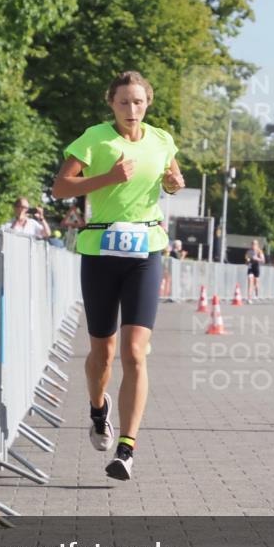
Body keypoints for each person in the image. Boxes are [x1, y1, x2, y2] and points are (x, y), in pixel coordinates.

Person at [53, 71, 184, 481]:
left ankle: (126, 449)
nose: (132, 110)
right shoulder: (94, 139)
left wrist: (175, 183)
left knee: (134, 351)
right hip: (100, 252)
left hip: (145, 251)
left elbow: (172, 177)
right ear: (111, 103)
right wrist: (107, 178)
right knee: (103, 353)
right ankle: (97, 408)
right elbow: (60, 188)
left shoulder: (162, 140)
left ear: (148, 104)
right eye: (125, 102)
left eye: (139, 102)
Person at [245, 239, 265, 303]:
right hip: (250, 268)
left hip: (256, 268)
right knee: (250, 281)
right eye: (252, 244)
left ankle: (256, 292)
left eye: (255, 244)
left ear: (257, 245)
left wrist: (256, 258)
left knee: (256, 283)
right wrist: (247, 261)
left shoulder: (259, 251)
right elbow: (246, 260)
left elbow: (263, 260)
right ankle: (249, 298)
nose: (253, 245)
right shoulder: (249, 251)